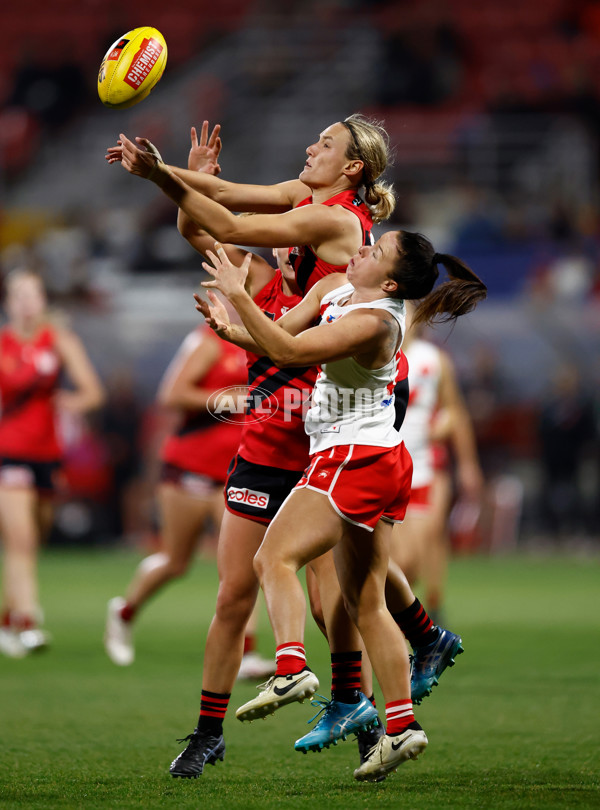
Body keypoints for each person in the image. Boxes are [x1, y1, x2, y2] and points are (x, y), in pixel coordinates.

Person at [194, 229, 486, 782]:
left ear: (392, 281)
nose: (362, 250)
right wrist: (234, 328)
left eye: (375, 252)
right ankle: (401, 727)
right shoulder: (338, 291)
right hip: (378, 456)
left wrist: (239, 292)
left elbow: (287, 351)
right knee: (364, 601)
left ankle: (291, 669)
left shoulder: (375, 320)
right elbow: (275, 339)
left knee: (272, 560)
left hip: (351, 457)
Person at [103, 315, 256, 668]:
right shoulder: (208, 341)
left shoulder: (269, 340)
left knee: (242, 564)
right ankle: (125, 612)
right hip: (192, 466)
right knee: (175, 561)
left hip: (237, 470)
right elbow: (172, 395)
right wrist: (233, 399)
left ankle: (247, 652)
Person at [0, 269, 105, 658]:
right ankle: (27, 623)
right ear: (9, 303)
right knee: (21, 541)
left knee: (35, 538)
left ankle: (7, 621)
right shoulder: (3, 344)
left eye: (34, 294)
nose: (27, 302)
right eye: (20, 295)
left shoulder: (59, 340)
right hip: (9, 453)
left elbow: (93, 392)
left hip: (48, 455)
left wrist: (67, 403)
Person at [391, 308, 484, 700]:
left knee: (418, 549)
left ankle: (424, 619)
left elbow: (454, 411)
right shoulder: (376, 354)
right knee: (398, 559)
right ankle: (408, 628)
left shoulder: (434, 360)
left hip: (427, 467)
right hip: (388, 467)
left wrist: (468, 464)